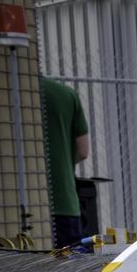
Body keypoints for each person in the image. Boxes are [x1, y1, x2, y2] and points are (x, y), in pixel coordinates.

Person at [40, 77, 89, 248]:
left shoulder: (9, 89)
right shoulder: (66, 94)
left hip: (24, 207)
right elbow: (83, 151)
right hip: (64, 202)